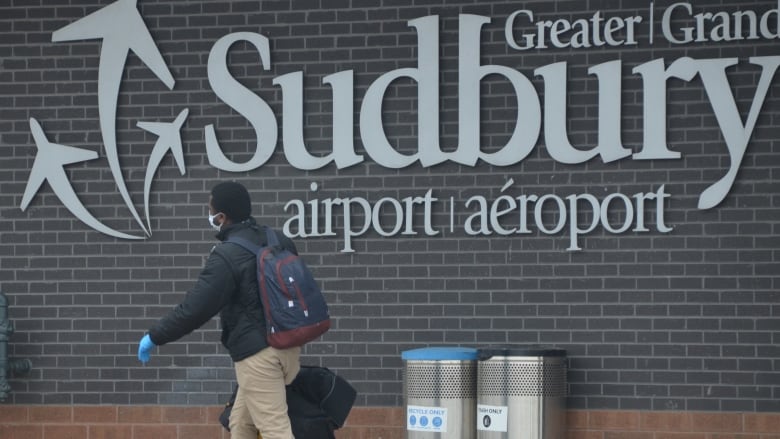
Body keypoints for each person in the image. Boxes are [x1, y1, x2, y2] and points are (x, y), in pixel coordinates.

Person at [137, 181, 301, 439]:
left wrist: (155, 336)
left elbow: (195, 309)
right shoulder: (278, 239)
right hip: (288, 344)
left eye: (210, 210)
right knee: (241, 424)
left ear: (221, 217)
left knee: (275, 430)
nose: (210, 216)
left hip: (258, 356)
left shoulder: (228, 254)